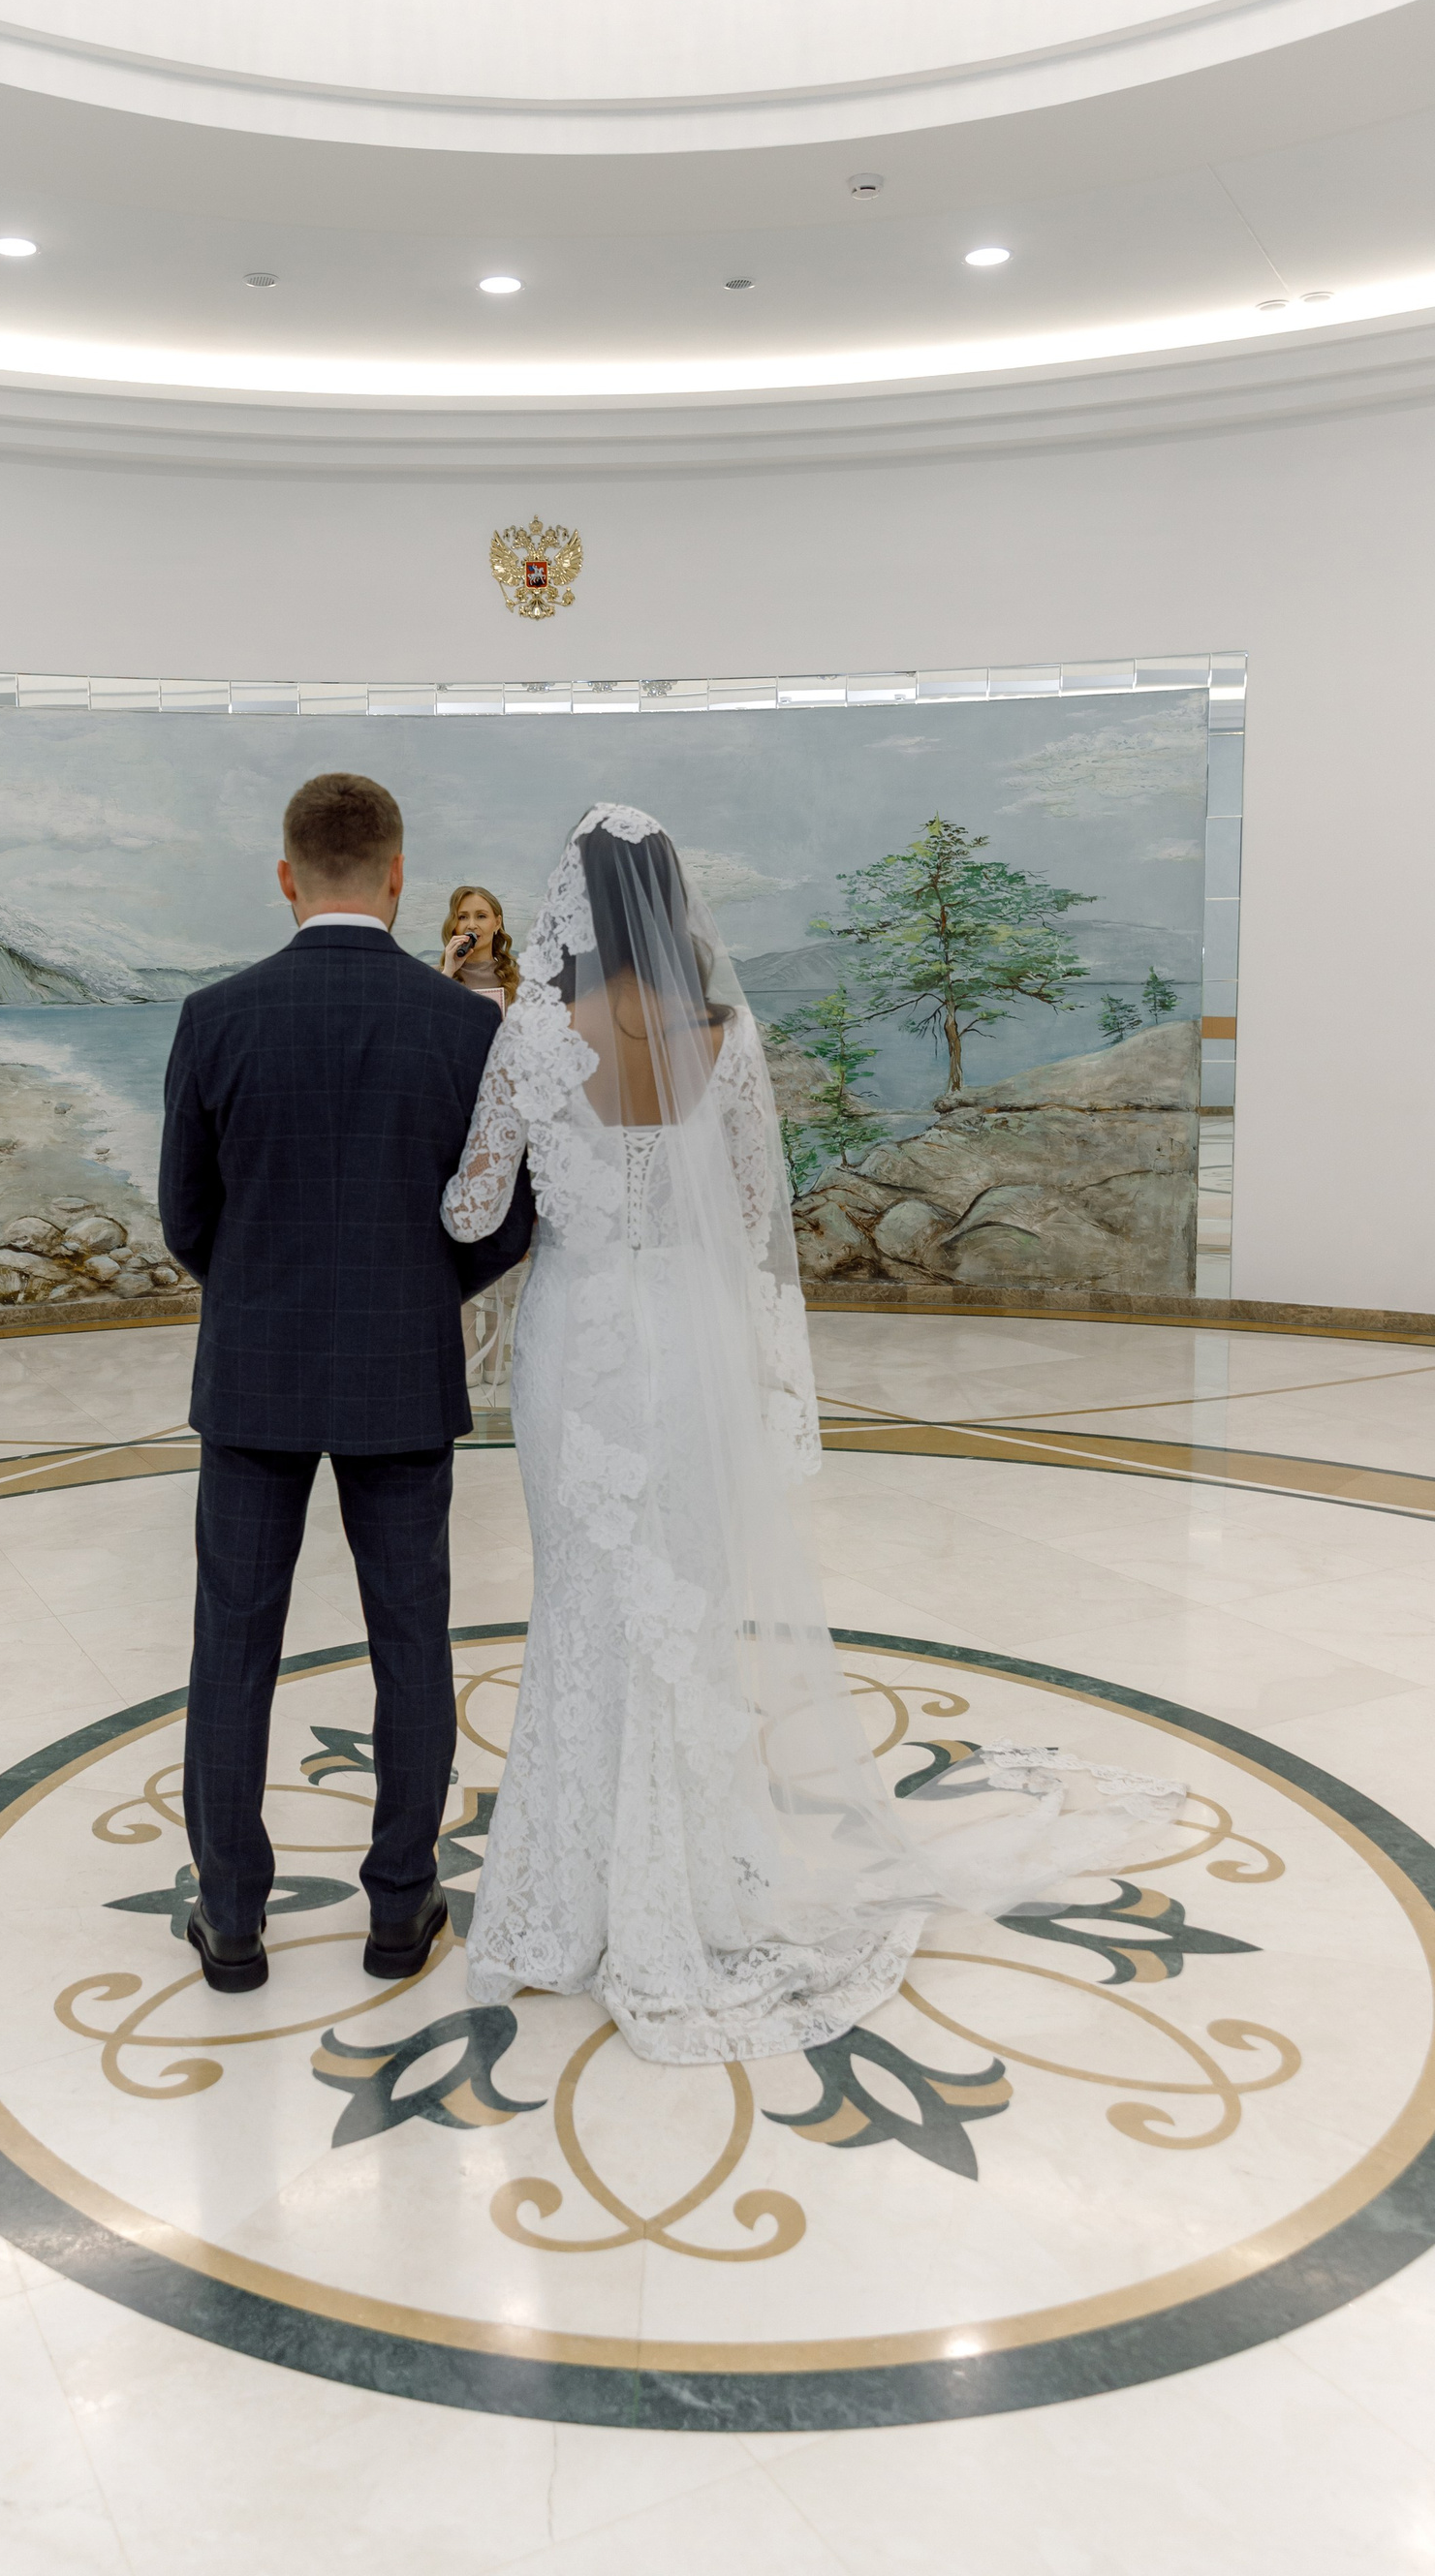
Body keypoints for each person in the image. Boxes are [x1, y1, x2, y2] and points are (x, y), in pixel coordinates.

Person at [441, 804, 1180, 2065]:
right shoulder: (722, 1036)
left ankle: (566, 1905)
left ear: (570, 905)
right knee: (685, 1605)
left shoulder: (528, 1032)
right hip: (691, 1344)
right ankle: (703, 1883)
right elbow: (748, 1215)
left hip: (581, 1351)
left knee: (582, 1604)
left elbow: (471, 1212)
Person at [158, 772, 536, 1995]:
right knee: (412, 1641)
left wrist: (259, 1287)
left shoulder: (215, 1017)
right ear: (398, 877)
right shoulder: (465, 1027)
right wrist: (418, 1290)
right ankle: (398, 1906)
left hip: (253, 1374)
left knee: (233, 1645)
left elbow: (185, 1218)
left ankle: (230, 1916)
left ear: (286, 875)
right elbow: (505, 1220)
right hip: (401, 1373)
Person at [439, 885, 519, 1017]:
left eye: (481, 916)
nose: (471, 925)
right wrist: (447, 974)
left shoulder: (518, 978)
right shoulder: (436, 977)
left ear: (497, 923)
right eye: (462, 917)